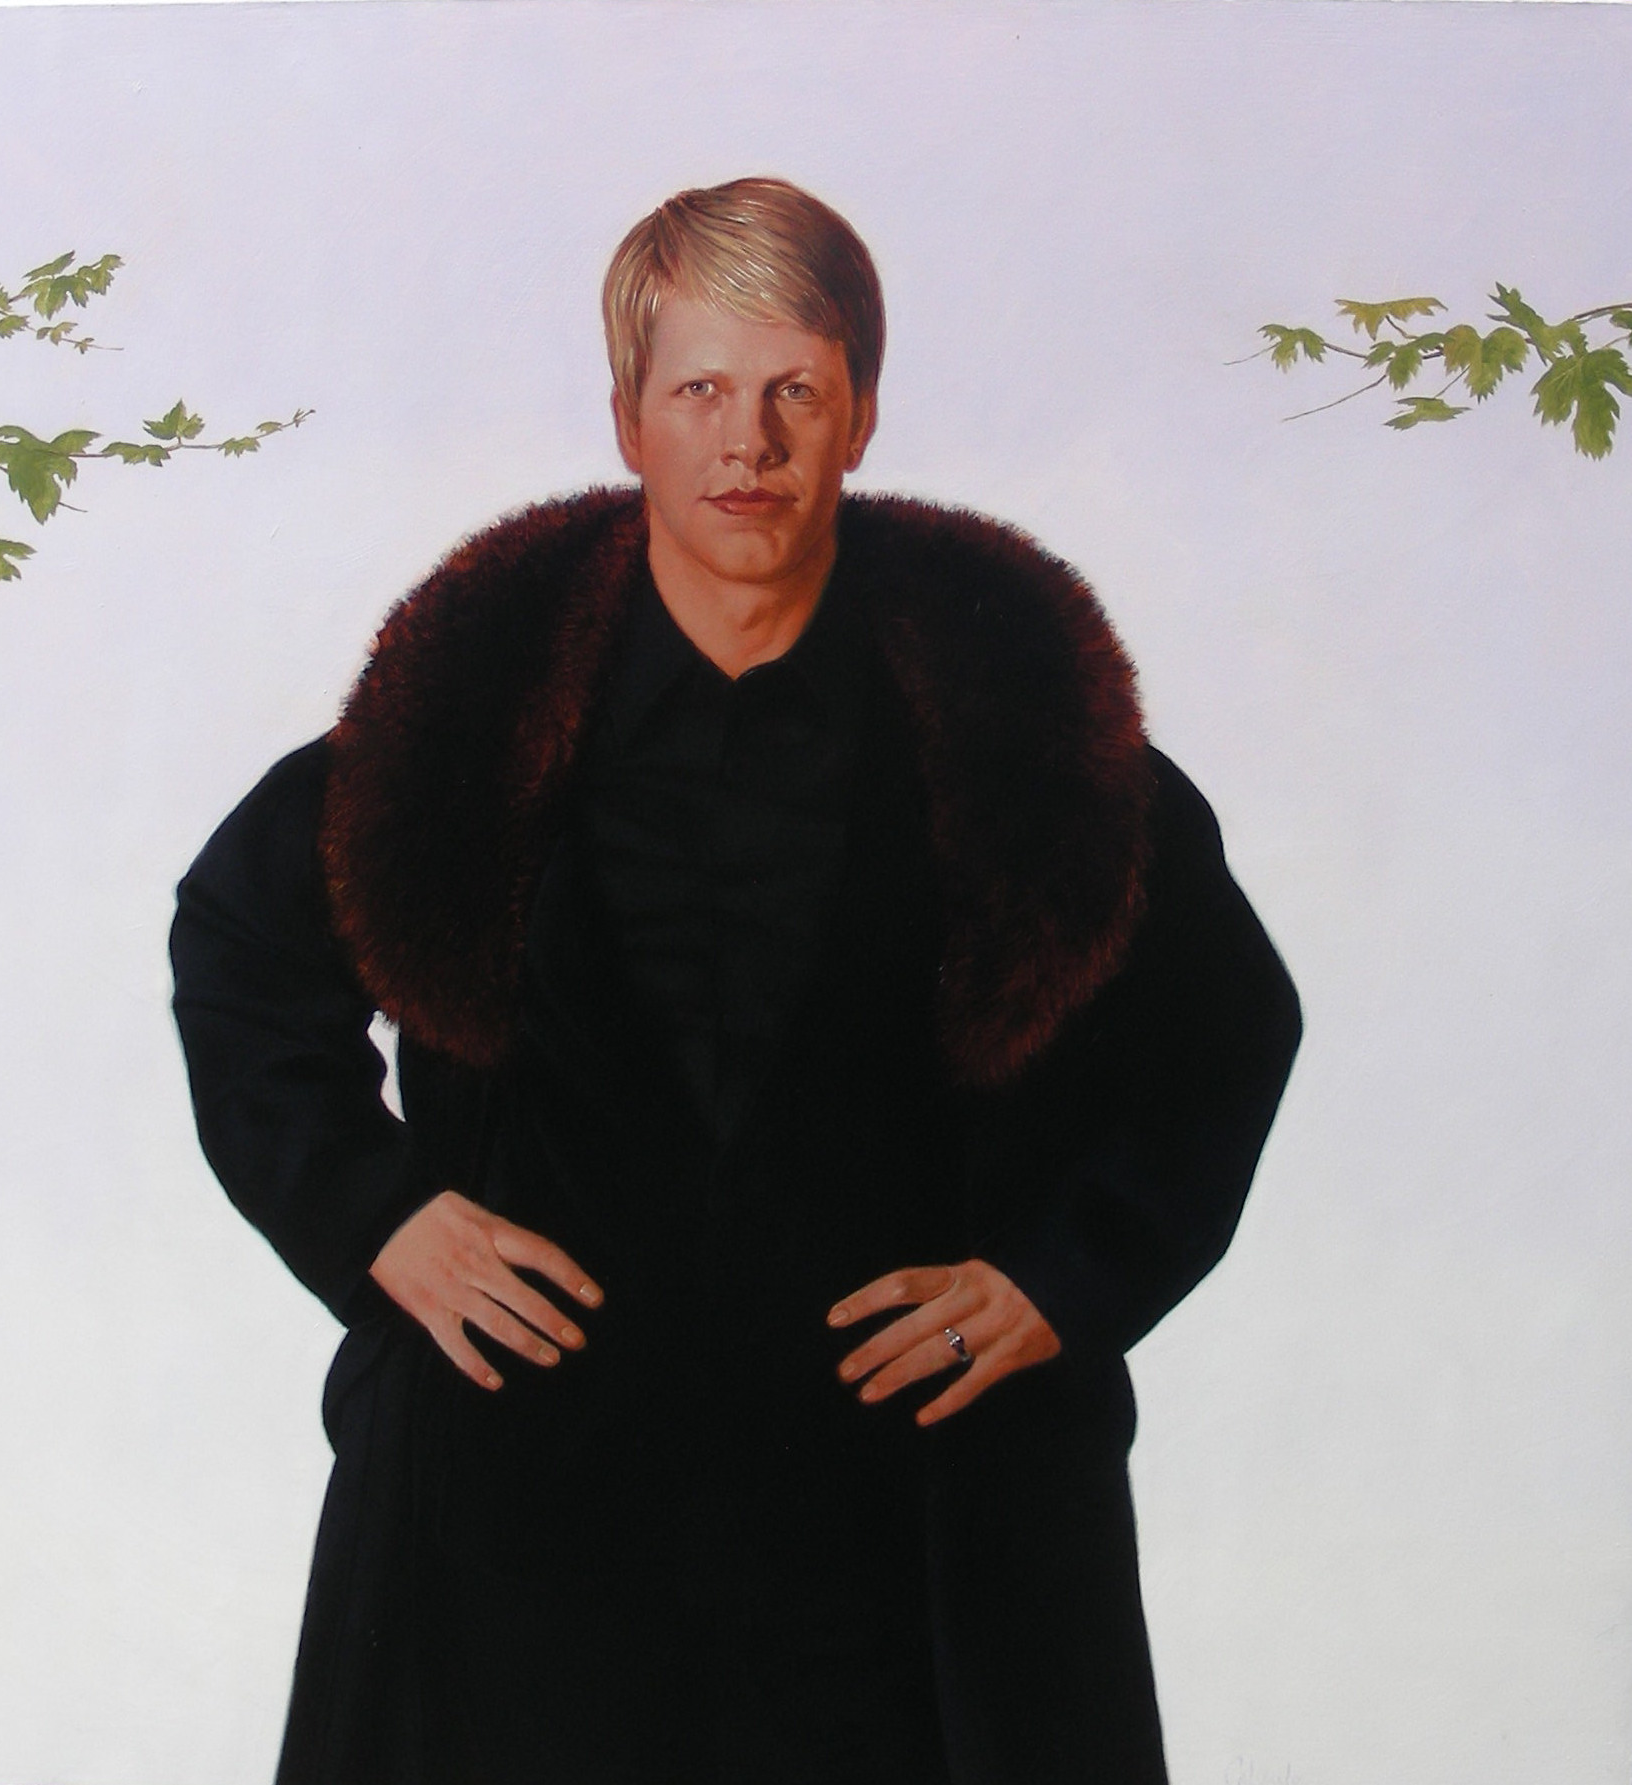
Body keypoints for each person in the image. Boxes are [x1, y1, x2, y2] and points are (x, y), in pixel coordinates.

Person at [170, 176, 1302, 1785]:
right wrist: (376, 1213)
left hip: (915, 1528)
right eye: (699, 389)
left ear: (860, 414)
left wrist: (1062, 1279)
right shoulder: (463, 717)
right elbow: (238, 944)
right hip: (521, 1517)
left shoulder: (1025, 730)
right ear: (627, 419)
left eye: (794, 391)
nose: (746, 442)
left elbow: (1221, 1026)